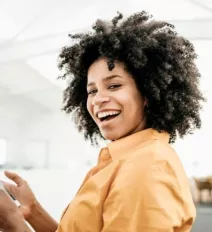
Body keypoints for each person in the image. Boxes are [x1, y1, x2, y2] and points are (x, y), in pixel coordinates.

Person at [0, 11, 205, 232]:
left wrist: (14, 225)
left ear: (147, 94)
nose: (98, 100)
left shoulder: (147, 167)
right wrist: (32, 210)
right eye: (92, 91)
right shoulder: (122, 160)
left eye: (114, 85)